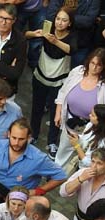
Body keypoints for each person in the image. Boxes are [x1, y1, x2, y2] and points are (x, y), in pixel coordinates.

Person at [28, 8, 76, 158]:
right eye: (58, 19)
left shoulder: (72, 36)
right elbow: (26, 35)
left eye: (64, 20)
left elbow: (72, 49)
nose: (60, 23)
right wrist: (35, 34)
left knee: (57, 113)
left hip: (59, 80)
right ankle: (33, 134)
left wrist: (55, 41)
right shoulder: (48, 29)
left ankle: (52, 142)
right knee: (36, 107)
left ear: (70, 23)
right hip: (41, 75)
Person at [0, 118, 67, 203]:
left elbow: (61, 176)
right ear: (8, 134)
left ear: (28, 138)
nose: (16, 143)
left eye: (21, 139)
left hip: (19, 205)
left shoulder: (38, 158)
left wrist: (38, 191)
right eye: (14, 138)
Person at [54, 48, 105, 171]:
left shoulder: (103, 84)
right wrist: (58, 112)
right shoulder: (78, 72)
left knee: (86, 157)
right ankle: (56, 174)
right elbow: (63, 92)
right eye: (92, 63)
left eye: (99, 65)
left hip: (91, 128)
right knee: (62, 151)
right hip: (71, 121)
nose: (94, 67)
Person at [60, 147, 105, 220]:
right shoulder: (83, 173)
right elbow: (63, 192)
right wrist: (80, 179)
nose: (94, 167)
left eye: (99, 163)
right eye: (93, 161)